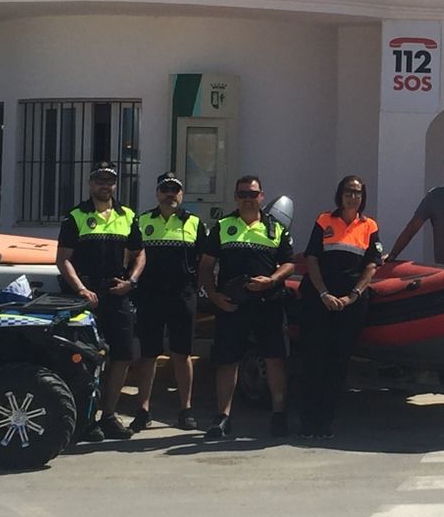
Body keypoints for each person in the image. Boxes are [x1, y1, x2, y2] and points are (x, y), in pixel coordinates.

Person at [199, 174, 295, 440]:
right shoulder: (222, 226)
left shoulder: (276, 229)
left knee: (274, 360)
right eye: (243, 194)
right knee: (227, 362)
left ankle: (278, 414)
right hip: (232, 305)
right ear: (235, 197)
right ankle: (222, 418)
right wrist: (215, 297)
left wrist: (273, 280)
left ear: (262, 196)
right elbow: (206, 267)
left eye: (253, 194)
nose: (248, 199)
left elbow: (289, 263)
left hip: (268, 304)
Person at [56, 161, 144, 441]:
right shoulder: (75, 216)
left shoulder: (128, 215)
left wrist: (131, 282)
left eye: (109, 181)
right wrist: (81, 289)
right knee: (85, 360)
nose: (105, 185)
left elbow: (140, 253)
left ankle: (108, 415)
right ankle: (86, 418)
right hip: (86, 297)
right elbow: (63, 260)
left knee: (121, 356)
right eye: (99, 180)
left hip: (117, 294)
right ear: (90, 184)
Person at [297, 176, 382, 440]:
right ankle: (307, 422)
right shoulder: (324, 221)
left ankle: (325, 423)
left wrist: (353, 296)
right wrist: (323, 293)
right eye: (348, 192)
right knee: (313, 362)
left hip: (350, 305)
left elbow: (372, 264)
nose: (352, 197)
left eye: (357, 193)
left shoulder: (369, 226)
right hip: (319, 301)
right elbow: (312, 258)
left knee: (337, 365)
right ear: (340, 195)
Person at [130, 172, 203, 433]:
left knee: (182, 354)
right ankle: (143, 410)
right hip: (150, 296)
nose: (170, 194)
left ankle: (186, 410)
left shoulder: (194, 222)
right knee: (148, 354)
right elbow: (132, 256)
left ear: (181, 194)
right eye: (165, 189)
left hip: (182, 296)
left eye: (175, 190)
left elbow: (204, 261)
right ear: (157, 193)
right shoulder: (141, 221)